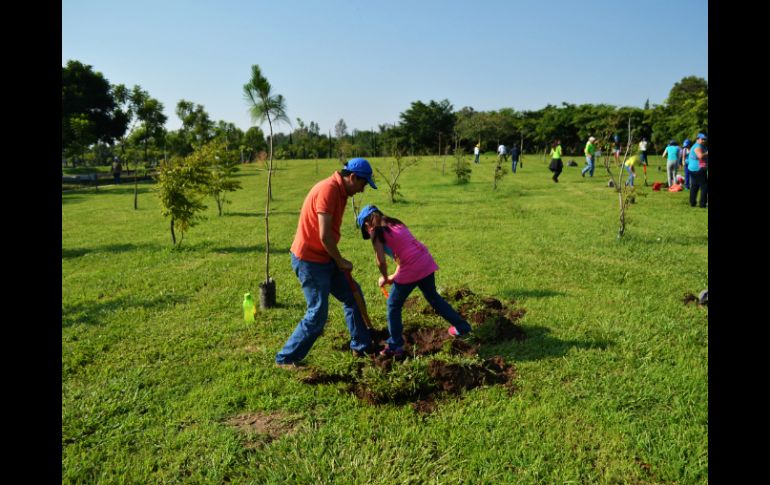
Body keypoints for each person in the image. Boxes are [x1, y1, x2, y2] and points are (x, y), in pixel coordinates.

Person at [275, 158, 379, 368]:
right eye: (362, 184)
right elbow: (324, 235)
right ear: (352, 177)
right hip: (310, 260)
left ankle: (361, 344)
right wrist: (340, 260)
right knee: (318, 312)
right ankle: (286, 358)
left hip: (326, 257)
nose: (362, 190)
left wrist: (336, 260)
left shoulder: (340, 192)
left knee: (352, 295)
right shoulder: (328, 190)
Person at [356, 205, 473, 357]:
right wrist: (391, 278)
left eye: (366, 230)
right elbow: (402, 256)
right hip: (425, 261)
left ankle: (395, 345)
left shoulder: (375, 232)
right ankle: (462, 327)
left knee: (393, 304)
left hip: (413, 268)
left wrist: (384, 277)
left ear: (367, 224)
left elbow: (381, 262)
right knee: (434, 298)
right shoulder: (395, 223)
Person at [687, 133, 708, 208]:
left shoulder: (700, 146)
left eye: (704, 139)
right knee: (704, 186)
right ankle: (702, 204)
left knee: (694, 186)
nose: (703, 140)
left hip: (694, 169)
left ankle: (692, 203)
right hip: (698, 169)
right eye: (702, 139)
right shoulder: (697, 146)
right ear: (697, 139)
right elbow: (700, 156)